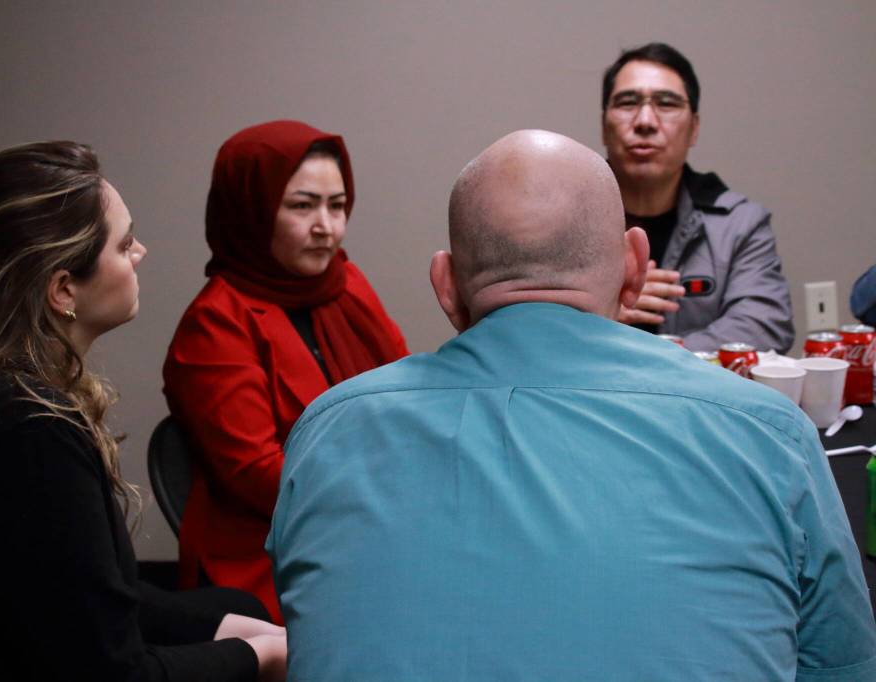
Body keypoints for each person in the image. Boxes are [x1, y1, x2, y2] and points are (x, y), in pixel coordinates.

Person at [266, 130, 876, 680]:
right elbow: (838, 666)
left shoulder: (325, 432)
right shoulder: (768, 433)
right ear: (635, 269)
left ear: (445, 284)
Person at [0, 142, 286, 681]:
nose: (141, 253)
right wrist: (262, 657)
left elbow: (75, 597)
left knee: (239, 611)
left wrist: (232, 626)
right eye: (124, 244)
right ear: (63, 290)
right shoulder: (24, 426)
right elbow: (108, 672)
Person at [163, 120, 408, 622]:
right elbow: (261, 476)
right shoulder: (214, 321)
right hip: (276, 555)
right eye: (302, 205)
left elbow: (406, 396)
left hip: (372, 527)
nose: (327, 227)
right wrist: (392, 491)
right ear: (251, 211)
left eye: (337, 205)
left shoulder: (345, 282)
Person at [602, 42, 794, 353]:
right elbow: (527, 328)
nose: (645, 122)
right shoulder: (563, 219)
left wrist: (662, 360)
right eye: (627, 102)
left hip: (698, 400)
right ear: (603, 125)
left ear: (694, 129)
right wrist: (601, 312)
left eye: (666, 103)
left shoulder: (739, 224)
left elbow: (764, 324)